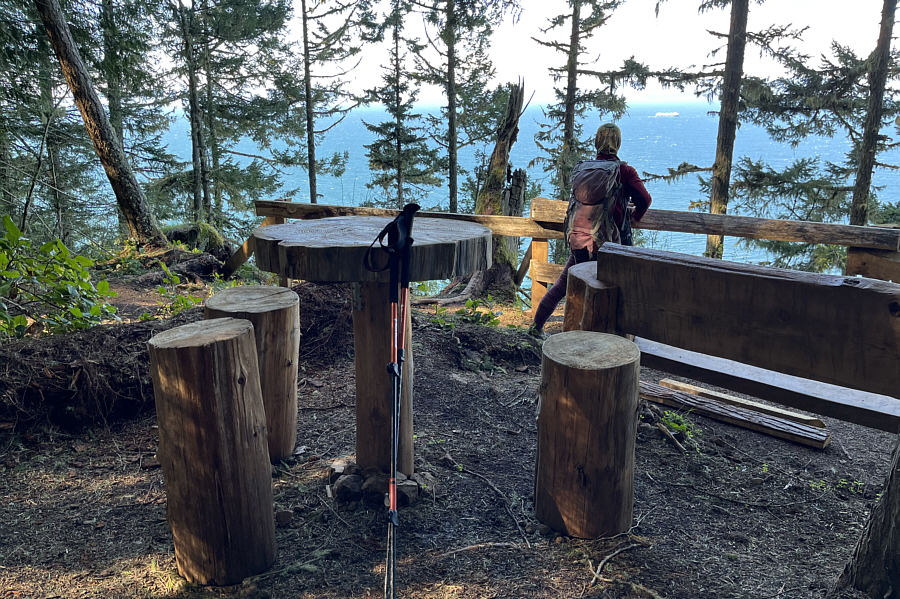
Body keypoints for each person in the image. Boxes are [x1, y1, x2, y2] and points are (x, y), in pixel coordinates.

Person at [528, 123, 652, 338]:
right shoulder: (624, 171)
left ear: (596, 143)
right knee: (614, 291)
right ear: (618, 144)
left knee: (562, 285)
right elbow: (645, 199)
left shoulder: (583, 169)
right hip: (606, 244)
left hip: (579, 239)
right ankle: (608, 341)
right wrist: (634, 216)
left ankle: (536, 327)